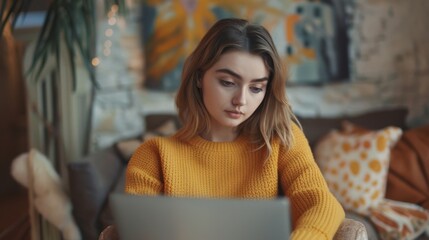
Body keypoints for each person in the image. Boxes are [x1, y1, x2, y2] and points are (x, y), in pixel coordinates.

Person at [125, 18, 345, 239]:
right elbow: (140, 232)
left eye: (256, 88)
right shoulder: (154, 155)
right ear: (200, 77)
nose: (241, 100)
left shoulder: (282, 141)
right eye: (228, 82)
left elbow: (322, 204)